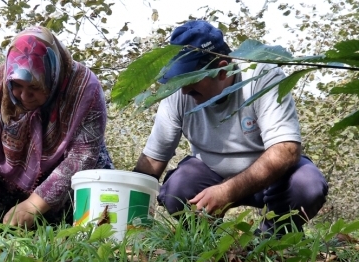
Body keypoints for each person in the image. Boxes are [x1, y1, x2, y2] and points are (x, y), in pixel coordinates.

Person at [133, 20, 328, 236]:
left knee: (307, 185)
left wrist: (227, 191)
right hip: (209, 174)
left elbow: (286, 150)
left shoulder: (262, 76)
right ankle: (204, 243)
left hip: (273, 179)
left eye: (192, 79)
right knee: (177, 188)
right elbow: (152, 161)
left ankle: (273, 239)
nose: (185, 90)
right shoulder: (178, 93)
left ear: (222, 69)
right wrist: (129, 214)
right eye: (179, 80)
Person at [0, 26, 114, 233]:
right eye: (17, 86)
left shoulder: (85, 89)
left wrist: (34, 204)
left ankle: (70, 226)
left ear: (53, 77)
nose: (24, 96)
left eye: (35, 88)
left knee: (99, 158)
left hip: (59, 188)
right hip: (9, 184)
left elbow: (82, 155)